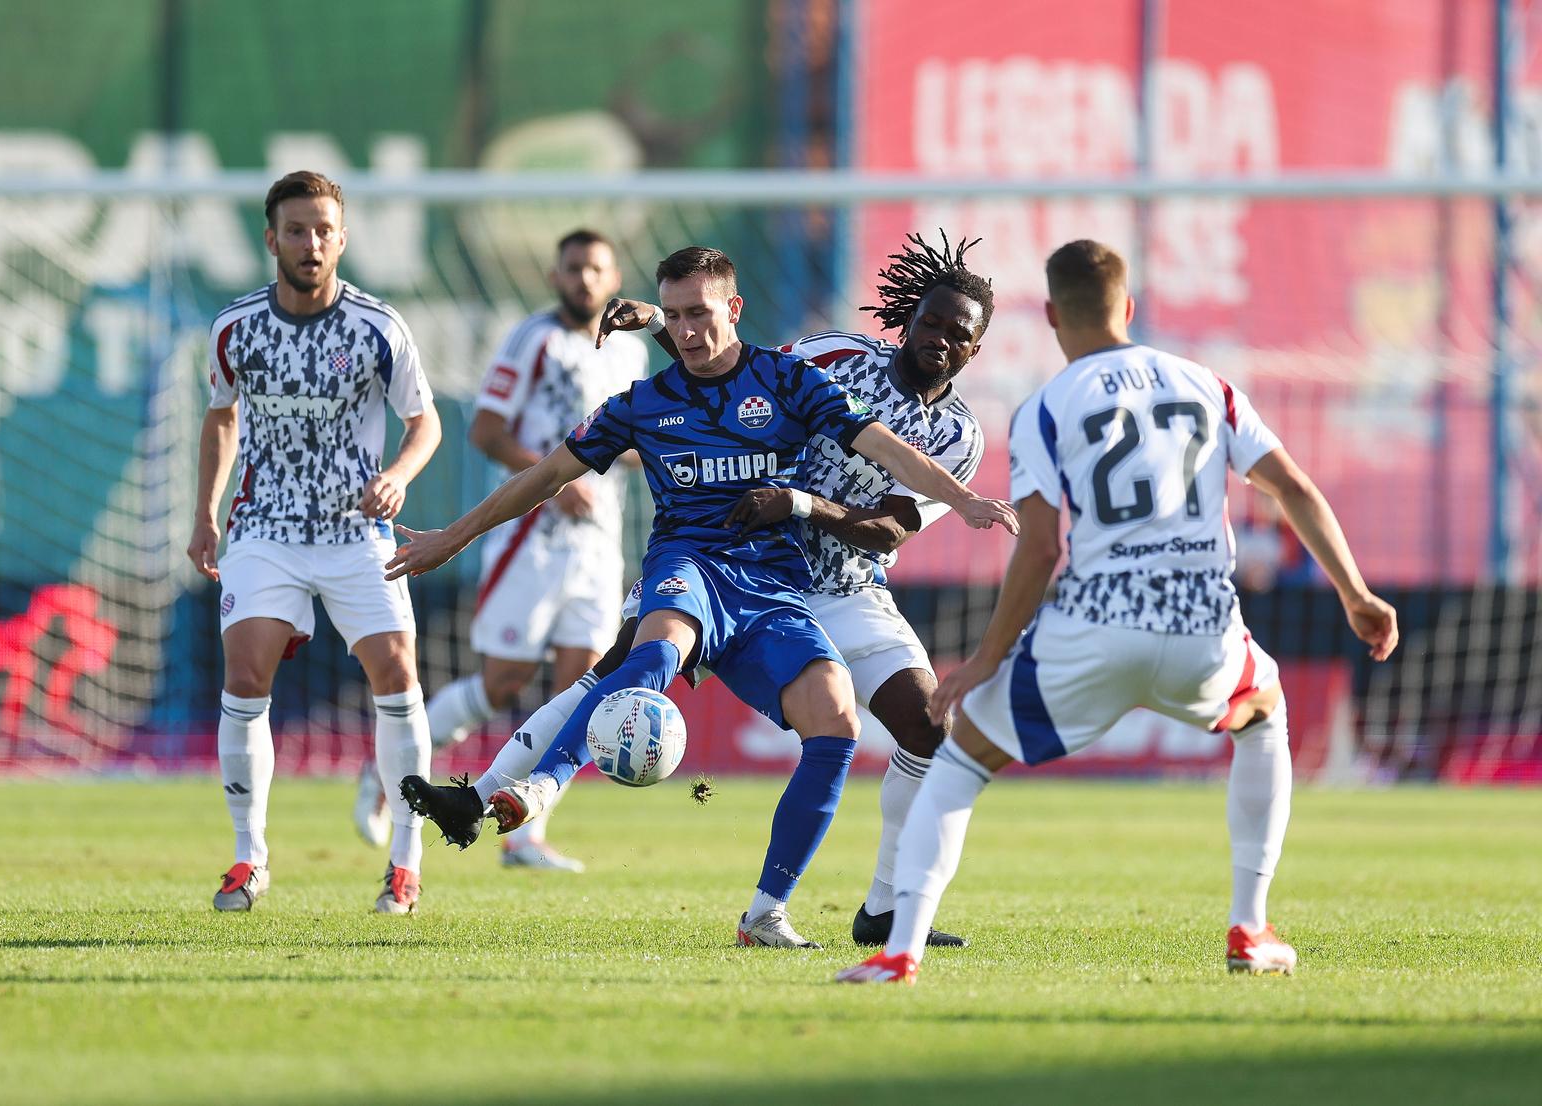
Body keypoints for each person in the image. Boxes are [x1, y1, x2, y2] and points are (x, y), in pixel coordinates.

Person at [391, 245, 1017, 947]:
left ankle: (877, 910)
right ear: (910, 320)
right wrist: (665, 319)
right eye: (930, 323)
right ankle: (494, 796)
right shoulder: (827, 358)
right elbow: (719, 362)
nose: (939, 340)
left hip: (830, 583)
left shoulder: (959, 435)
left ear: (975, 347)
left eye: (957, 334)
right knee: (632, 661)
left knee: (919, 730)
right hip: (714, 553)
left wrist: (905, 501)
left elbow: (887, 529)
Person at [836, 239, 1399, 985]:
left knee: (961, 760)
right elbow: (1291, 486)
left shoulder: (1046, 408)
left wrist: (985, 661)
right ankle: (1250, 926)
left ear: (1050, 316)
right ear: (1128, 308)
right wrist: (1355, 593)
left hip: (1092, 629)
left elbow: (1038, 551)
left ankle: (900, 949)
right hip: (1203, 630)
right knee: (1265, 718)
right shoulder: (1207, 384)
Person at [189, 170, 443, 915]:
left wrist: (397, 475)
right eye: (296, 230)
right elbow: (221, 417)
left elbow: (423, 422)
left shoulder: (378, 326)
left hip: (356, 531)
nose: (311, 243)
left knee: (396, 673)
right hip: (264, 528)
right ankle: (248, 857)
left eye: (324, 229)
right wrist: (205, 514)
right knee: (245, 670)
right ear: (271, 239)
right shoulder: (236, 327)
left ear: (343, 237)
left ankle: (405, 860)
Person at [352, 229, 646, 873]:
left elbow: (628, 441)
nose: (585, 280)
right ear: (554, 274)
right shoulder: (535, 340)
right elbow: (486, 430)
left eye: (596, 268)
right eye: (573, 268)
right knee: (503, 681)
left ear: (614, 275)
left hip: (596, 548)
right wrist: (555, 476)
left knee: (583, 690)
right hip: (529, 540)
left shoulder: (629, 357)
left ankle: (524, 836)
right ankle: (386, 776)